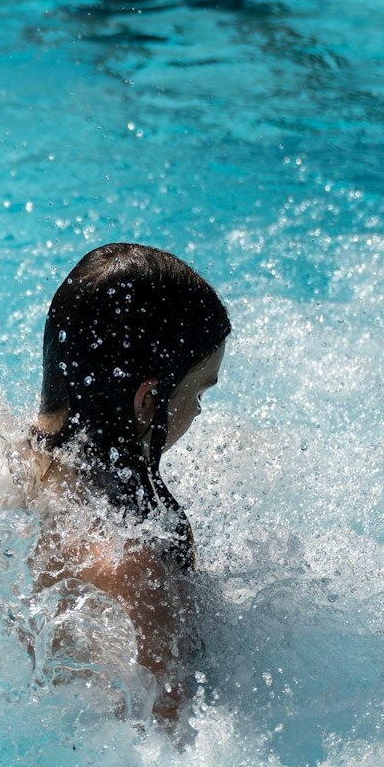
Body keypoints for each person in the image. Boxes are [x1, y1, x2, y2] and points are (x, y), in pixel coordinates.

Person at [27, 243, 230, 724]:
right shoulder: (134, 562)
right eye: (198, 392)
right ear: (147, 399)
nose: (199, 411)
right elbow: (170, 735)